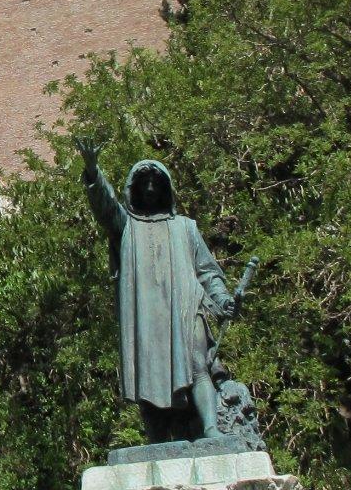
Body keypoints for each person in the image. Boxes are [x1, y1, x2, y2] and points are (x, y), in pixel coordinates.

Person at [77, 140, 237, 444]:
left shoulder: (186, 228)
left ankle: (211, 429)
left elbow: (207, 271)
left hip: (186, 306)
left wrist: (223, 299)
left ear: (166, 189)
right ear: (134, 189)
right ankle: (157, 441)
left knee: (197, 364)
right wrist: (93, 173)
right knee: (147, 373)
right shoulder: (127, 227)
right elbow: (105, 206)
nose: (150, 188)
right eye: (144, 182)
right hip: (146, 315)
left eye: (155, 182)